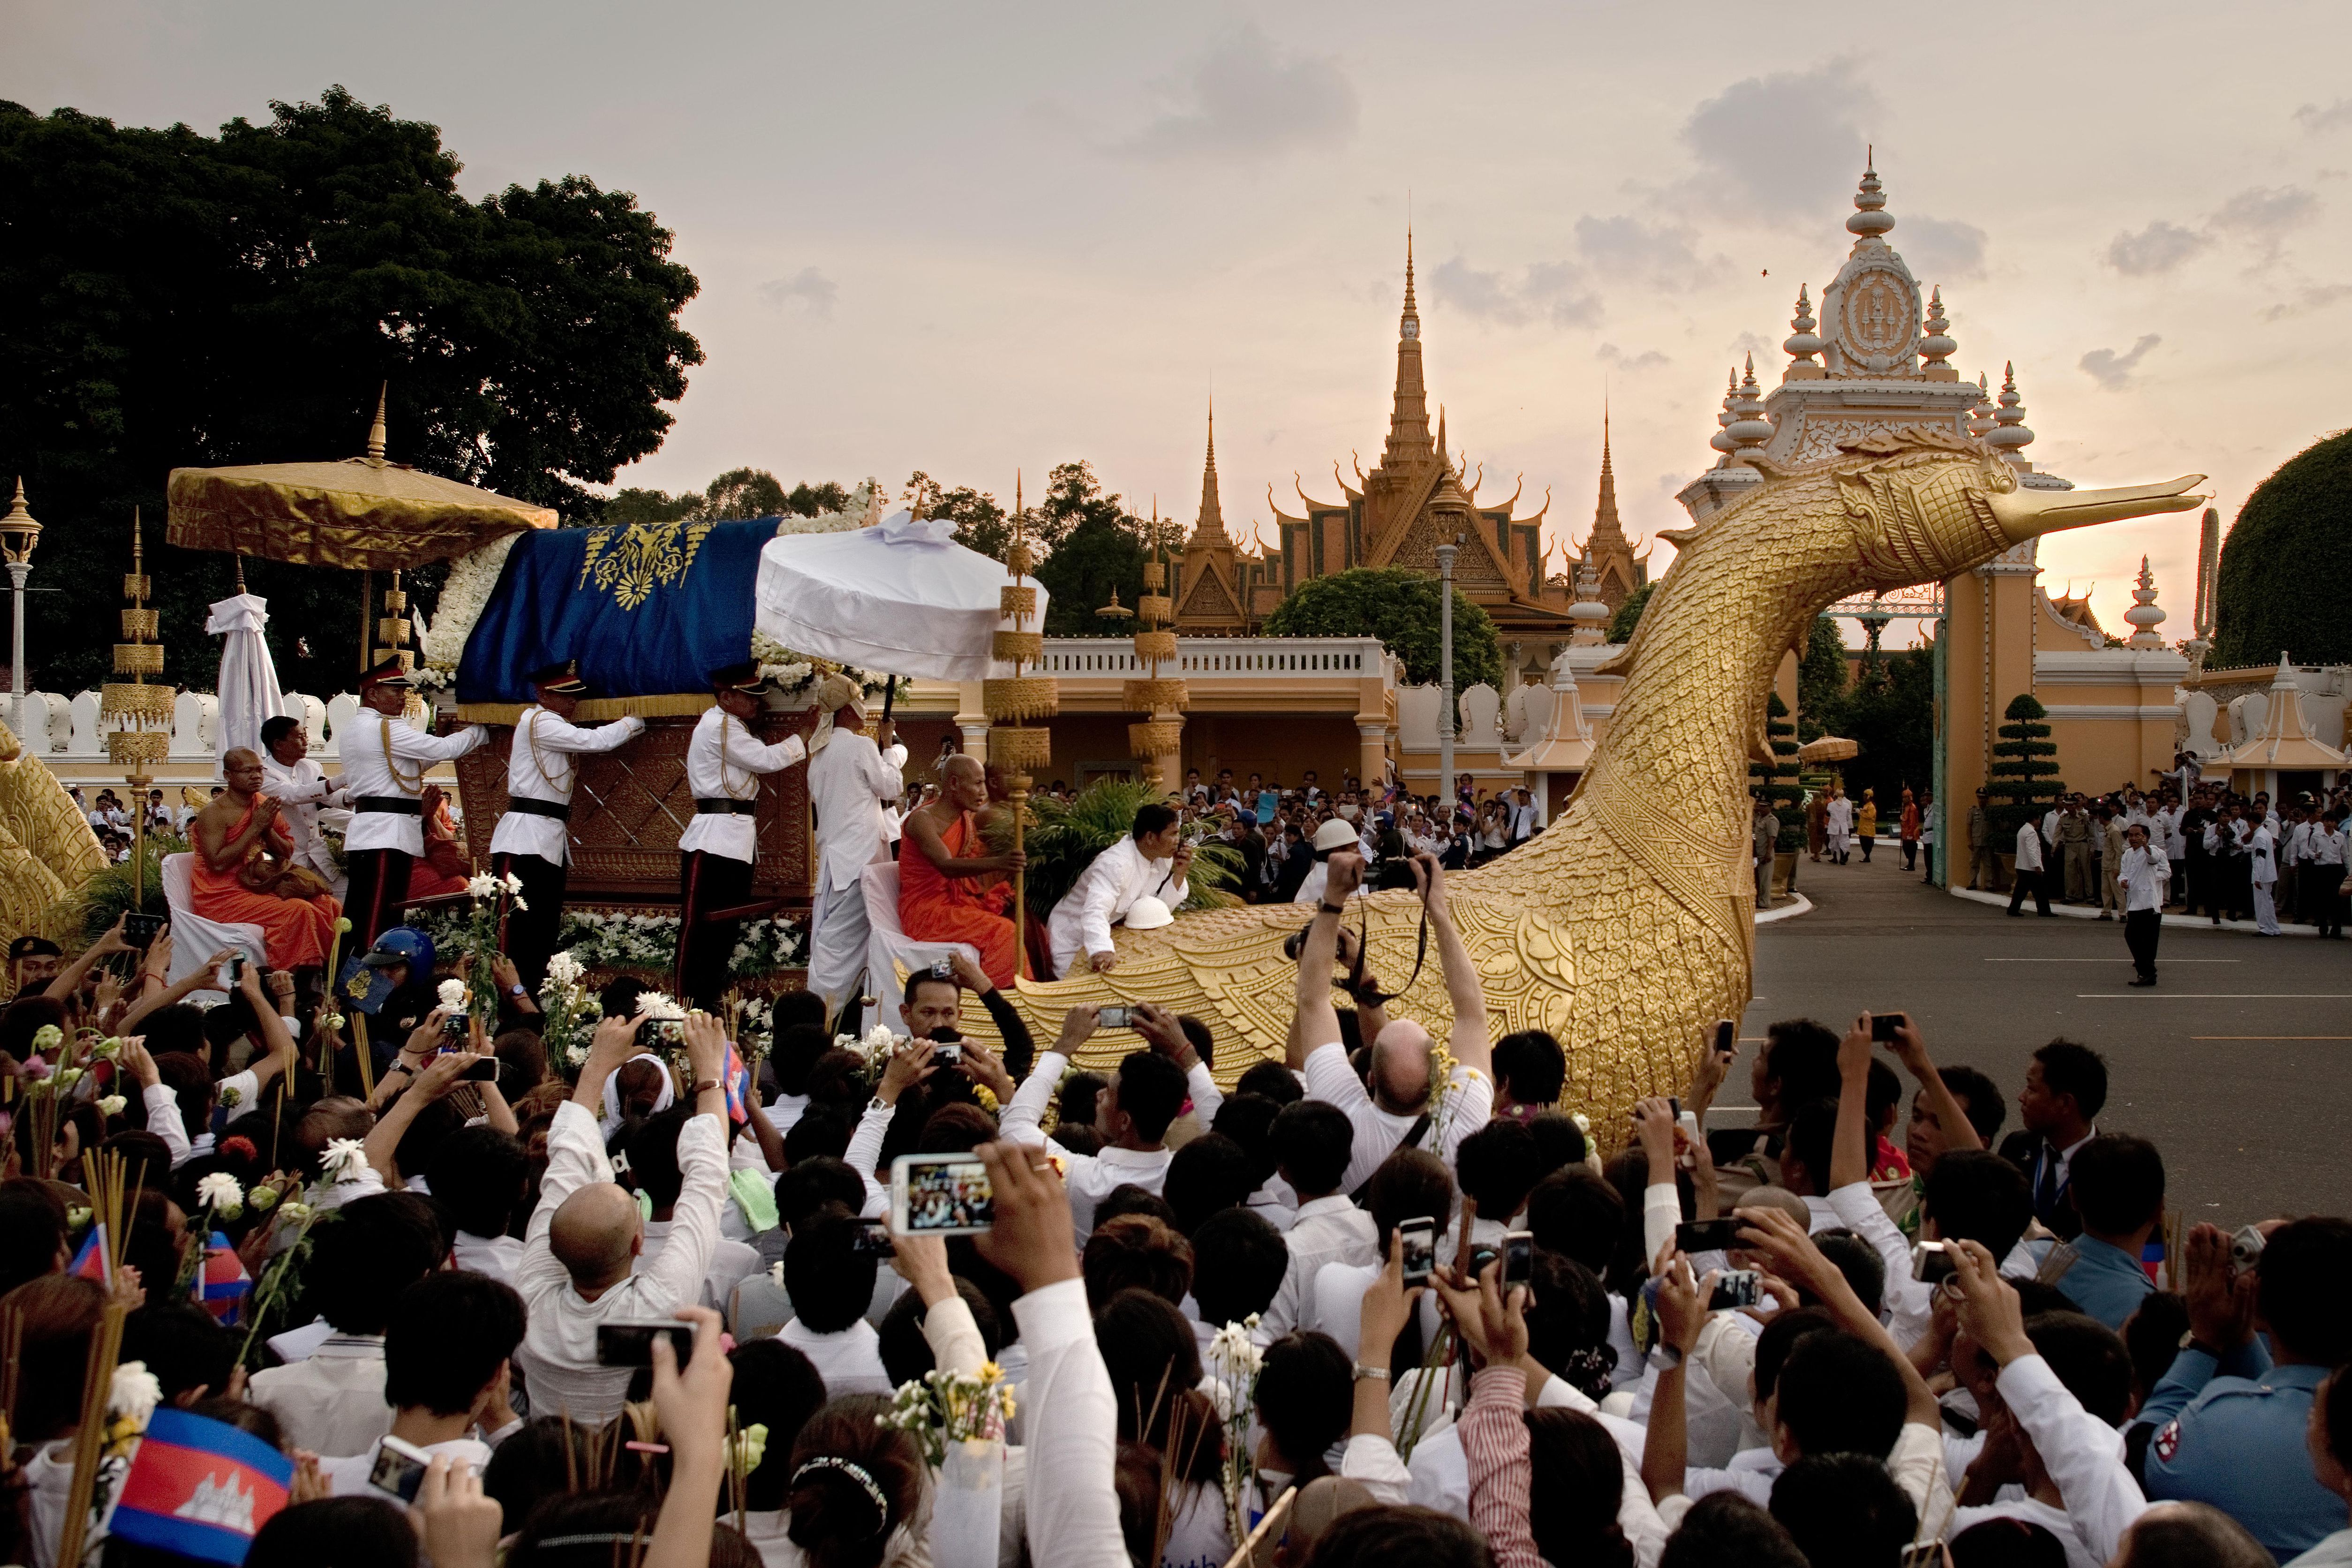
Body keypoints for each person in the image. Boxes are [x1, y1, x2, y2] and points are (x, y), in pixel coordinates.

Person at [514, 1013, 731, 1423]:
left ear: (547, 1247)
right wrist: (709, 1075)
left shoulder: (529, 1301)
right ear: (639, 1242)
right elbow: (705, 1181)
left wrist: (597, 1068)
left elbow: (566, 1168)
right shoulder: (657, 1307)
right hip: (631, 1473)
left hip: (543, 1466)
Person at [2140, 1219, 2352, 1561]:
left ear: (2261, 1309)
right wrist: (2244, 1340)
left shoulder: (2213, 1420)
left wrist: (2204, 1342)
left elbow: (2137, 1455)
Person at [1292, 851, 1492, 1195]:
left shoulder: (1343, 1129)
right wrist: (1439, 911)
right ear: (1440, 1079)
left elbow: (1313, 1002)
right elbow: (1472, 1014)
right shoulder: (1466, 1125)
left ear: (1369, 1078)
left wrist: (1333, 900)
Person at [997, 1000, 1221, 1242]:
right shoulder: (1188, 1177)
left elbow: (1016, 1125)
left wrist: (1066, 1044)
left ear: (1125, 1121)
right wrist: (1186, 1052)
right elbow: (1224, 1135)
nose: (1099, 1095)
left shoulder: (1082, 1179)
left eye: (1109, 1093)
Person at [489, 661, 647, 993]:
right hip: (525, 840)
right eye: (565, 695)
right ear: (542, 694)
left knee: (541, 931)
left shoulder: (548, 721)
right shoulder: (540, 721)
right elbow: (594, 741)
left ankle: (527, 999)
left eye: (576, 695)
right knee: (519, 935)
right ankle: (514, 1006)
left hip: (545, 837)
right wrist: (635, 720)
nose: (573, 702)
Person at [676, 661, 807, 1010]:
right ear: (727, 696)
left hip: (733, 837)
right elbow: (764, 760)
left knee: (722, 931)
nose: (757, 703)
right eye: (749, 697)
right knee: (700, 932)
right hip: (713, 838)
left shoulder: (731, 723)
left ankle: (705, 1001)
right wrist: (803, 735)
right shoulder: (721, 725)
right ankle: (688, 1005)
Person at [339, 657, 490, 946]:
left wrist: (442, 738)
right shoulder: (387, 729)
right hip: (387, 834)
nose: (402, 698)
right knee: (377, 920)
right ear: (372, 693)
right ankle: (364, 985)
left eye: (404, 691)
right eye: (395, 691)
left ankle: (359, 982)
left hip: (377, 832)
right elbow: (445, 749)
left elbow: (408, 767)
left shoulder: (358, 728)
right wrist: (479, 730)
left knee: (369, 914)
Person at [802, 671, 907, 1027]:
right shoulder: (860, 746)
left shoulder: (819, 754)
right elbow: (890, 786)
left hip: (837, 858)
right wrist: (888, 746)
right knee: (840, 945)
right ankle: (820, 1019)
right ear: (849, 711)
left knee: (835, 940)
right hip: (859, 860)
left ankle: (839, 1018)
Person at [188, 746, 344, 970]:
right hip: (222, 894)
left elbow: (286, 853)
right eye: (247, 771)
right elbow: (218, 863)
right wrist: (256, 826)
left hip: (262, 883)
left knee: (328, 905)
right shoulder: (215, 813)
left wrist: (267, 830)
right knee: (299, 911)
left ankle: (327, 977)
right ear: (228, 776)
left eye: (259, 770)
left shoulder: (263, 804)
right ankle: (291, 983)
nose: (256, 776)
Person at [899, 753, 1025, 987]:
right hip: (927, 911)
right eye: (977, 783)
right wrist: (1001, 862)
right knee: (1004, 931)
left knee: (1021, 915)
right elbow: (946, 866)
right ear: (955, 784)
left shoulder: (966, 818)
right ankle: (999, 997)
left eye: (984, 783)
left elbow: (975, 857)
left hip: (955, 901)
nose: (983, 791)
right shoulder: (922, 821)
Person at [1046, 800, 1193, 978]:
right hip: (1071, 938)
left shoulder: (1163, 859)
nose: (1178, 841)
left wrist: (1180, 873)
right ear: (1151, 838)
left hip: (1111, 933)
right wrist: (1102, 949)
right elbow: (1096, 910)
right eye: (1173, 834)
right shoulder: (1115, 864)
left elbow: (1155, 907)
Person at [2001, 1039, 2106, 1242]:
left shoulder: (2110, 1172)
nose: (2021, 1097)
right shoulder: (2016, 1148)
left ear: (2066, 1103)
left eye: (2032, 1089)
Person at [257, 714, 347, 894]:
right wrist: (346, 777)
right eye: (299, 737)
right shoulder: (263, 775)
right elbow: (294, 795)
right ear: (278, 745)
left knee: (346, 897)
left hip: (320, 855)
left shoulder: (311, 767)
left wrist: (360, 797)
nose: (306, 741)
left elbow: (329, 798)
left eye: (305, 735)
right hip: (287, 860)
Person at [2117, 821, 2170, 987]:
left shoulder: (2154, 850)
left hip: (2149, 902)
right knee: (2132, 936)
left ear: (2146, 837)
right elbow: (2123, 873)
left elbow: (2159, 865)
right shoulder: (2127, 854)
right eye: (2131, 835)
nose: (2134, 838)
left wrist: (2150, 879)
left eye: (2138, 835)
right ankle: (2144, 969)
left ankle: (2148, 972)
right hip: (2134, 901)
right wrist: (2123, 881)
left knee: (2148, 939)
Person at [1293, 817, 1363, 907]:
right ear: (1337, 851)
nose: (1358, 852)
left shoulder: (1319, 873)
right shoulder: (1338, 879)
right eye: (1354, 847)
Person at [2009, 810, 2053, 917]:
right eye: (2038, 820)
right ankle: (2044, 911)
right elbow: (2031, 851)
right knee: (2040, 891)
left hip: (2023, 866)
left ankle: (2013, 910)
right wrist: (2037, 866)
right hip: (2030, 868)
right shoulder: (2031, 832)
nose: (2039, 822)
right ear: (2034, 820)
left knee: (2021, 891)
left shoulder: (2023, 830)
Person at [1752, 797, 1779, 912]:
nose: (1762, 809)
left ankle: (1765, 902)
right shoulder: (1759, 818)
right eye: (1761, 806)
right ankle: (1760, 901)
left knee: (1765, 881)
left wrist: (1768, 854)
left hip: (1765, 855)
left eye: (1764, 807)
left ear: (1770, 808)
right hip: (1758, 853)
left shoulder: (1772, 820)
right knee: (1758, 880)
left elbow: (1772, 838)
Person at [1968, 787, 1995, 890]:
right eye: (1979, 798)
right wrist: (1970, 840)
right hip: (1976, 841)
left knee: (1989, 863)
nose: (1981, 800)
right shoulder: (1973, 811)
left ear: (1987, 799)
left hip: (1987, 842)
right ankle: (1972, 882)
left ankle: (1989, 884)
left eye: (1983, 798)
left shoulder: (1990, 811)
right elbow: (1969, 826)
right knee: (1974, 863)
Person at [1824, 784, 1852, 865]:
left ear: (1835, 795)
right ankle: (1842, 858)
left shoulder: (1831, 805)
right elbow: (1848, 818)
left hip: (1834, 826)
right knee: (1843, 842)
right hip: (1843, 827)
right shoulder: (1847, 806)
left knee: (1833, 842)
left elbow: (1828, 815)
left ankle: (1835, 858)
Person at [1899, 787, 1920, 872]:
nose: (1904, 799)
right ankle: (1910, 864)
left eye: (1905, 798)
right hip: (1905, 832)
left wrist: (1910, 834)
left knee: (1910, 849)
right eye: (1903, 797)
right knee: (1906, 847)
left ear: (1910, 798)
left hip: (1910, 832)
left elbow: (1912, 822)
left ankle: (1912, 865)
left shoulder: (1912, 808)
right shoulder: (1907, 807)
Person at [1855, 788, 1877, 864]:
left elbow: (1869, 816)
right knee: (1863, 843)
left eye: (1865, 796)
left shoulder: (1871, 807)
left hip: (1868, 829)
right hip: (1863, 828)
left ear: (1868, 797)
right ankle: (1866, 856)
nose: (1864, 797)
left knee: (1867, 844)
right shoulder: (1866, 806)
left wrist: (1860, 813)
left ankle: (1867, 856)